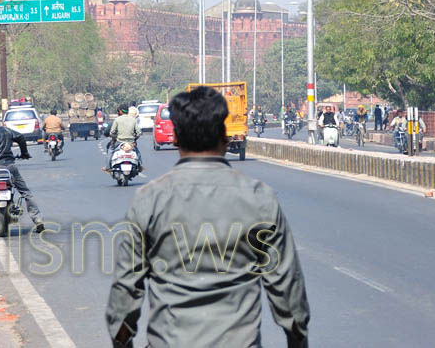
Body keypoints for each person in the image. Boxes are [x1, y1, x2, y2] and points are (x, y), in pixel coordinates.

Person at [105, 86, 310, 348]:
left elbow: (125, 292)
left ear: (176, 138)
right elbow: (288, 289)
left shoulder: (150, 200)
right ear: (225, 136)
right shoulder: (259, 198)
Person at [0, 111, 45, 236]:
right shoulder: (5, 130)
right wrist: (24, 153)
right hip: (11, 167)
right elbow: (20, 137)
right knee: (26, 193)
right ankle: (38, 221)